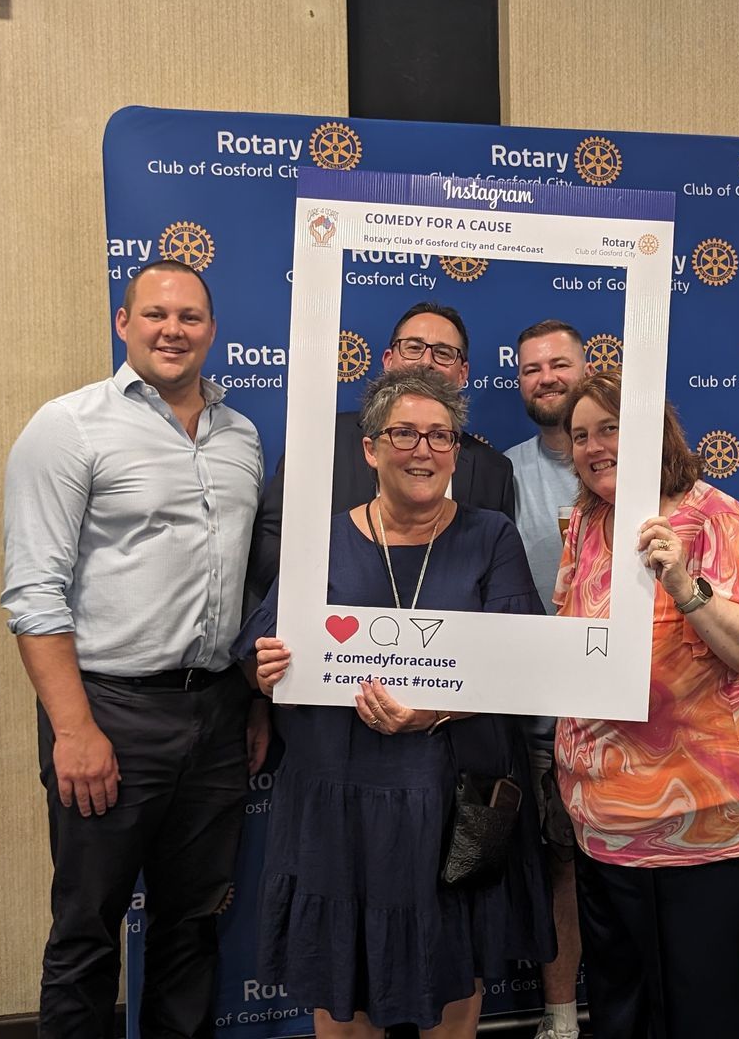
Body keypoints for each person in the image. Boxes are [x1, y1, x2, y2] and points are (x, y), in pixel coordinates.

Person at [240, 366, 554, 1038]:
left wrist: (434, 711)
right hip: (337, 795)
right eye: (404, 432)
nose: (423, 450)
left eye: (441, 435)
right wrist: (265, 669)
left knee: (451, 978)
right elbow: (261, 649)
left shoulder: (491, 535)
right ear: (370, 447)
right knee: (342, 981)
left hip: (452, 793)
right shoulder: (316, 539)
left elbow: (521, 661)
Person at [2, 259, 270, 1038]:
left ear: (212, 332)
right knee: (88, 930)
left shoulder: (241, 436)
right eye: (155, 314)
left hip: (217, 714)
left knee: (192, 925)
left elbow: (250, 582)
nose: (172, 330)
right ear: (124, 324)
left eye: (189, 317)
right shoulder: (69, 426)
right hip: (109, 711)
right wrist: (74, 729)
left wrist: (251, 702)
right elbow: (32, 592)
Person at [553, 369, 739, 1039]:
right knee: (621, 1006)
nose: (594, 445)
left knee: (699, 1010)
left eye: (609, 427)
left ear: (651, 432)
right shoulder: (585, 523)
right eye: (580, 436)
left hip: (705, 825)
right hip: (605, 825)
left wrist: (687, 586)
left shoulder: (715, 519)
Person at [247, 301, 518, 601]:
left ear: (463, 372)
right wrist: (328, 605)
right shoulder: (320, 439)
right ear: (388, 360)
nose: (426, 361)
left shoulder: (494, 471)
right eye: (413, 347)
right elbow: (272, 541)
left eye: (443, 353)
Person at [499, 320, 586, 1039]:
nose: (546, 377)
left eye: (560, 363)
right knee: (558, 868)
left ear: (589, 370)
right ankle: (561, 1018)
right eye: (532, 369)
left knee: (633, 870)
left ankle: (641, 1005)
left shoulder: (634, 467)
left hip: (626, 714)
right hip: (532, 719)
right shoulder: (502, 473)